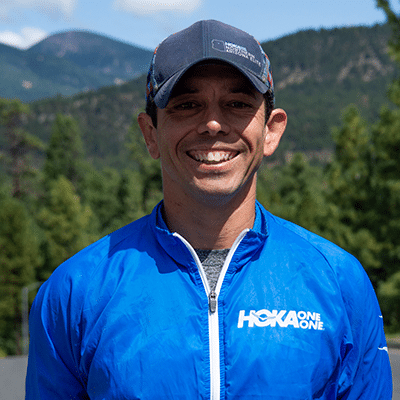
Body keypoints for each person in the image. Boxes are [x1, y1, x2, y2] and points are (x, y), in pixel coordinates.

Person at [26, 20, 392, 399]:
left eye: (237, 104)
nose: (213, 124)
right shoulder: (74, 291)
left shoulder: (339, 280)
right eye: (187, 105)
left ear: (271, 130)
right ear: (150, 133)